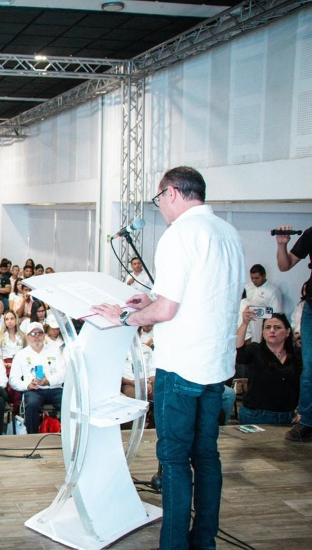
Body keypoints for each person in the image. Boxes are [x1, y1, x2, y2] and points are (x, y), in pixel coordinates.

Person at [92, 166, 245, 550]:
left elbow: (166, 311)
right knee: (206, 456)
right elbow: (200, 292)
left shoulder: (180, 234)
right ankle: (204, 542)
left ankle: (174, 545)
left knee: (174, 460)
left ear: (172, 193)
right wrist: (149, 298)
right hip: (216, 365)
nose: (159, 206)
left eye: (159, 198)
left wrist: (123, 316)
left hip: (181, 365)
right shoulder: (228, 232)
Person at [274, 224, 312, 442]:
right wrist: (282, 245)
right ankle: (307, 421)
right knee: (309, 370)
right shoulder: (311, 233)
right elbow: (285, 265)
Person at [235, 311, 300, 425]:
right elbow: (239, 352)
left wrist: (303, 410)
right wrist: (245, 323)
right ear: (263, 332)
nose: (272, 330)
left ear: (288, 332)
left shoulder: (297, 355)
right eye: (268, 327)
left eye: (277, 327)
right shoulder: (255, 350)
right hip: (256, 415)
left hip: (288, 416)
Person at [8, 322, 66, 433]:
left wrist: (48, 381)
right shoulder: (21, 355)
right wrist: (27, 385)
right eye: (33, 334)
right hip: (34, 390)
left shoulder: (55, 351)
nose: (37, 336)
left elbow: (63, 372)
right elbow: (13, 379)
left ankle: (68, 433)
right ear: (27, 336)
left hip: (54, 388)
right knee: (32, 404)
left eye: (39, 333)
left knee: (69, 401)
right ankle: (32, 436)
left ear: (44, 335)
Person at [245, 264, 284, 343]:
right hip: (246, 326)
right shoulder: (247, 287)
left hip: (261, 327)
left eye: (256, 278)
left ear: (264, 276)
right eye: (252, 278)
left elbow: (277, 314)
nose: (254, 280)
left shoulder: (273, 291)